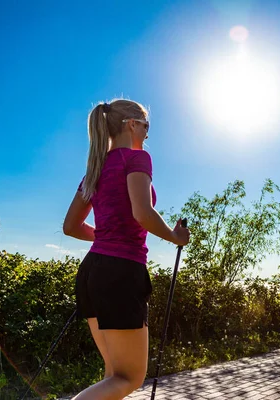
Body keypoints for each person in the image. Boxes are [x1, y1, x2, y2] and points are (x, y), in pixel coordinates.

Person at [63, 99, 190, 400]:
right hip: (120, 273)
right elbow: (142, 213)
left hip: (92, 271)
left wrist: (106, 239)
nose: (148, 133)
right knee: (129, 377)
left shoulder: (95, 169)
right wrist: (175, 236)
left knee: (113, 375)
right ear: (132, 124)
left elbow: (70, 227)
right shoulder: (137, 159)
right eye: (146, 125)